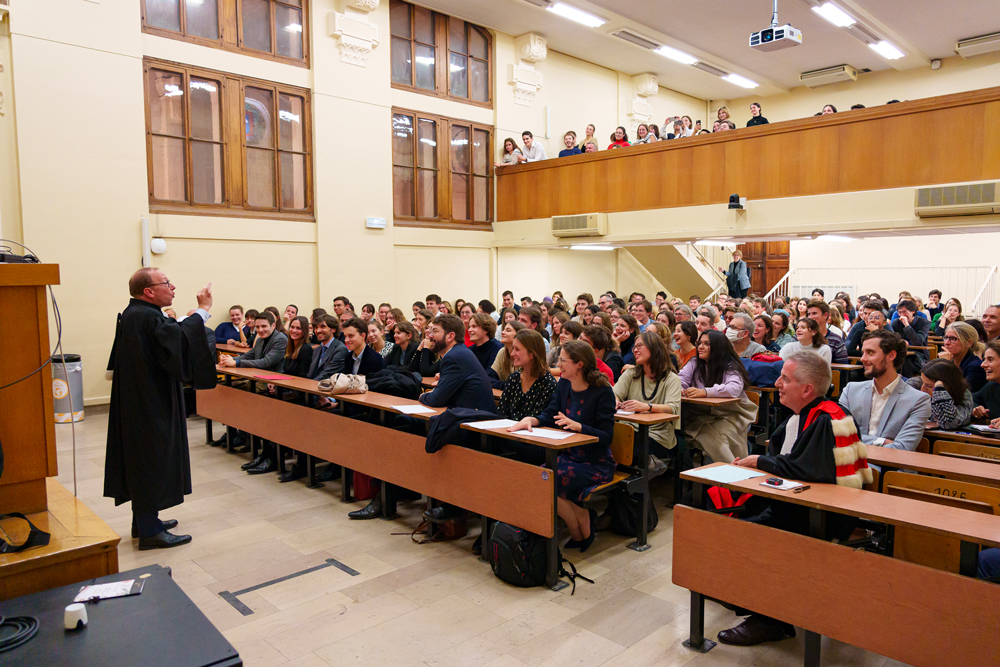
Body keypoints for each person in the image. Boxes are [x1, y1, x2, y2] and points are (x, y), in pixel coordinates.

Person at [722, 352, 871, 647]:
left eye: (785, 379)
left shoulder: (830, 418)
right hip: (799, 506)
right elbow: (785, 458)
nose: (777, 383)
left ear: (807, 390)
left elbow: (809, 472)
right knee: (726, 523)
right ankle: (748, 596)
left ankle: (772, 620)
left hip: (826, 514)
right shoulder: (804, 414)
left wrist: (760, 462)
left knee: (761, 538)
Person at [104, 269, 215, 550]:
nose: (173, 287)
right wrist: (202, 310)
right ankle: (150, 531)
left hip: (141, 399)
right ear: (149, 292)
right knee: (151, 460)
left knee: (144, 460)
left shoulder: (134, 314)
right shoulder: (146, 316)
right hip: (150, 403)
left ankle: (144, 521)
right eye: (166, 283)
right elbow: (177, 341)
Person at [508, 340, 616, 552]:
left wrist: (580, 427)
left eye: (563, 360)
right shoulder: (564, 384)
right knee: (542, 479)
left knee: (549, 480)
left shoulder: (602, 391)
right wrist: (533, 420)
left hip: (594, 461)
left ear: (580, 364)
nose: (559, 364)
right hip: (569, 455)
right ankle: (581, 520)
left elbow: (606, 436)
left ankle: (578, 527)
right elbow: (551, 414)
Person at [839, 330, 931, 451]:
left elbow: (903, 448)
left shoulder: (918, 400)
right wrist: (881, 441)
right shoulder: (851, 390)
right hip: (851, 464)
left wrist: (856, 440)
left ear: (891, 356)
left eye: (870, 353)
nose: (862, 358)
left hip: (888, 468)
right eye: (863, 353)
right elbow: (837, 435)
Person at [678, 330, 758, 463]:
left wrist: (705, 392)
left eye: (706, 344)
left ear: (718, 346)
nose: (700, 347)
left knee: (714, 437)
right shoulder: (694, 362)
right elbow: (680, 380)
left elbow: (734, 389)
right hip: (703, 416)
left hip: (732, 414)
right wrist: (680, 388)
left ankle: (734, 473)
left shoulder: (730, 365)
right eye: (699, 343)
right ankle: (736, 471)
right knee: (710, 436)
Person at [613, 331, 682, 462]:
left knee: (632, 448)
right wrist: (615, 401)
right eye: (634, 347)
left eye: (640, 346)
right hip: (628, 428)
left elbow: (672, 408)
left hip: (657, 434)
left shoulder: (671, 378)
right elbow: (615, 394)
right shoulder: (631, 373)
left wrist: (646, 407)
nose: (635, 350)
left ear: (654, 348)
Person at [498, 329, 559, 427]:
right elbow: (502, 413)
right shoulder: (513, 378)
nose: (512, 353)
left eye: (517, 349)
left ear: (532, 354)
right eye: (513, 348)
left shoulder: (548, 383)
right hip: (508, 433)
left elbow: (542, 419)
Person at [906, 358, 973, 431]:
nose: (923, 389)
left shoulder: (964, 394)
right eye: (922, 383)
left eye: (929, 386)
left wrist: (939, 391)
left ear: (948, 386)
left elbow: (948, 423)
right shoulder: (914, 385)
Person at [219, 310, 288, 371]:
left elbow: (266, 362)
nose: (260, 330)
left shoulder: (281, 339)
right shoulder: (260, 340)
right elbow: (248, 356)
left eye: (264, 326)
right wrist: (228, 359)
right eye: (257, 327)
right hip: (258, 376)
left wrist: (236, 363)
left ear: (273, 326)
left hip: (274, 381)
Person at [939, 321, 987, 392]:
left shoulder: (975, 367)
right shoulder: (951, 360)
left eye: (953, 339)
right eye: (946, 338)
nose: (946, 343)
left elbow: (962, 394)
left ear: (969, 343)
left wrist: (946, 367)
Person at [891, 298, 930, 377]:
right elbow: (892, 339)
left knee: (906, 360)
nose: (902, 315)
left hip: (919, 355)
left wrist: (907, 325)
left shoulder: (924, 323)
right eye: (899, 312)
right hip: (901, 353)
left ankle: (905, 384)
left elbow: (917, 341)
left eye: (904, 312)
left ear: (913, 311)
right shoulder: (896, 322)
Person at [491, 320, 527, 388]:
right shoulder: (502, 352)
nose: (502, 332)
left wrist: (505, 385)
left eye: (508, 330)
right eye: (503, 329)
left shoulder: (525, 354)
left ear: (518, 335)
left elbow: (519, 384)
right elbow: (489, 378)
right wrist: (505, 385)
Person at [973, 340, 1000, 425]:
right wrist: (976, 408)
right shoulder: (992, 386)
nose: (983, 365)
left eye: (990, 360)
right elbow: (971, 399)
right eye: (984, 359)